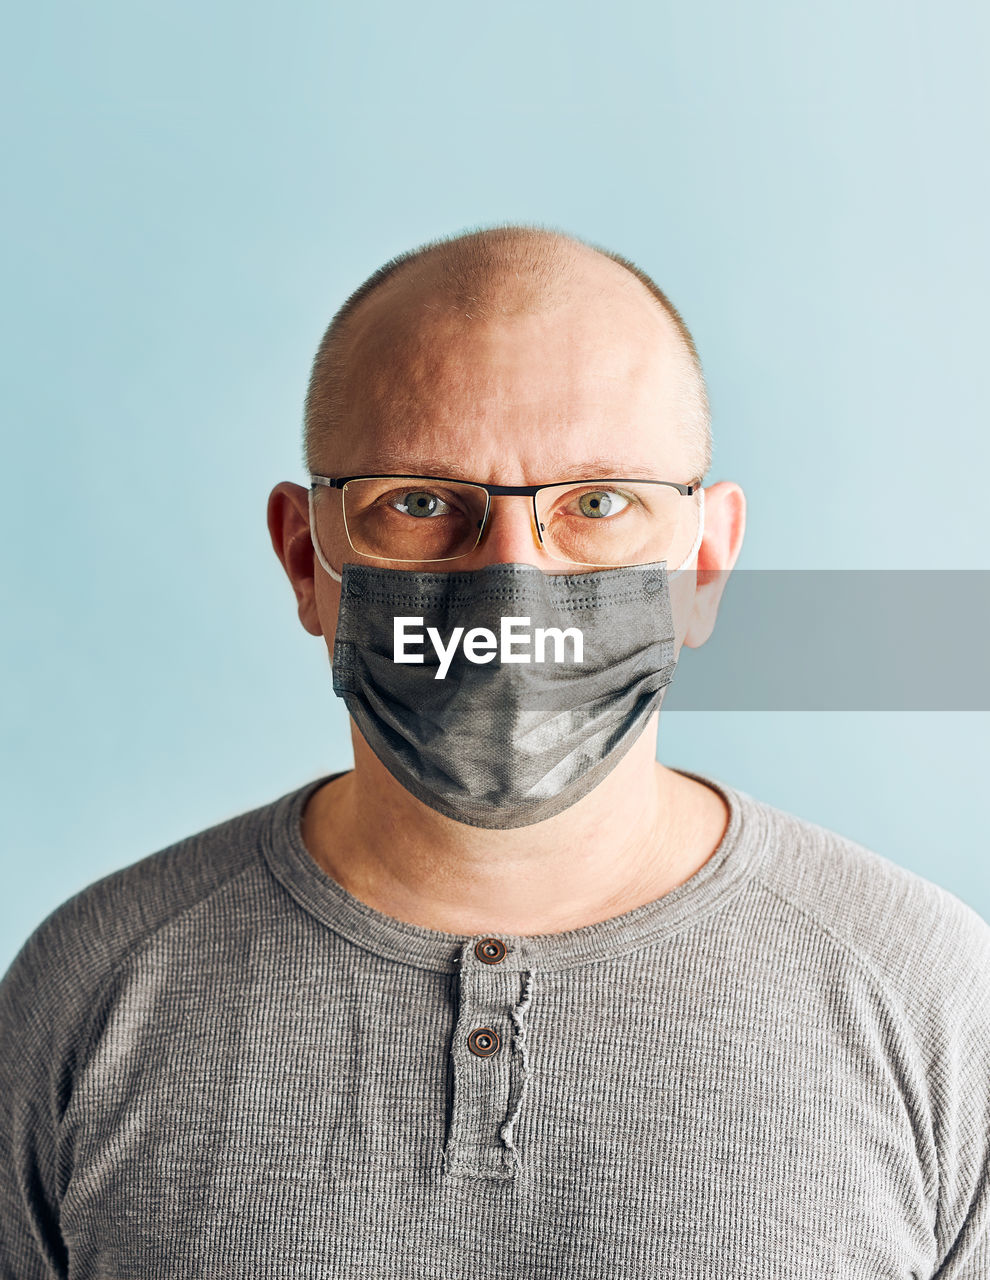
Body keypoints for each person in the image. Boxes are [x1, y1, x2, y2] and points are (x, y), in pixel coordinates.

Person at [1, 226, 988, 1280]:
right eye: (421, 504)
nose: (513, 582)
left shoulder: (930, 997)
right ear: (306, 558)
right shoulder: (92, 990)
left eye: (598, 502)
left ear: (703, 562)